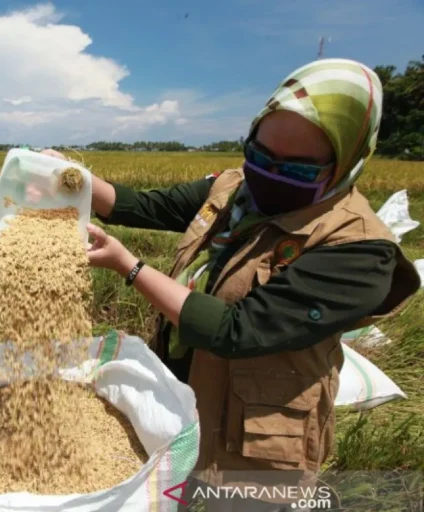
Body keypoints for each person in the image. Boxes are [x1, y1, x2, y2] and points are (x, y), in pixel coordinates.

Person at [45, 58, 420, 511]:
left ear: (346, 162)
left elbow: (237, 330)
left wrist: (130, 267)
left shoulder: (359, 250)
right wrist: (71, 179)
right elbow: (144, 206)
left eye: (299, 169)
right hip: (187, 390)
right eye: (259, 155)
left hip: (257, 436)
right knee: (173, 494)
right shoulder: (234, 190)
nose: (270, 174)